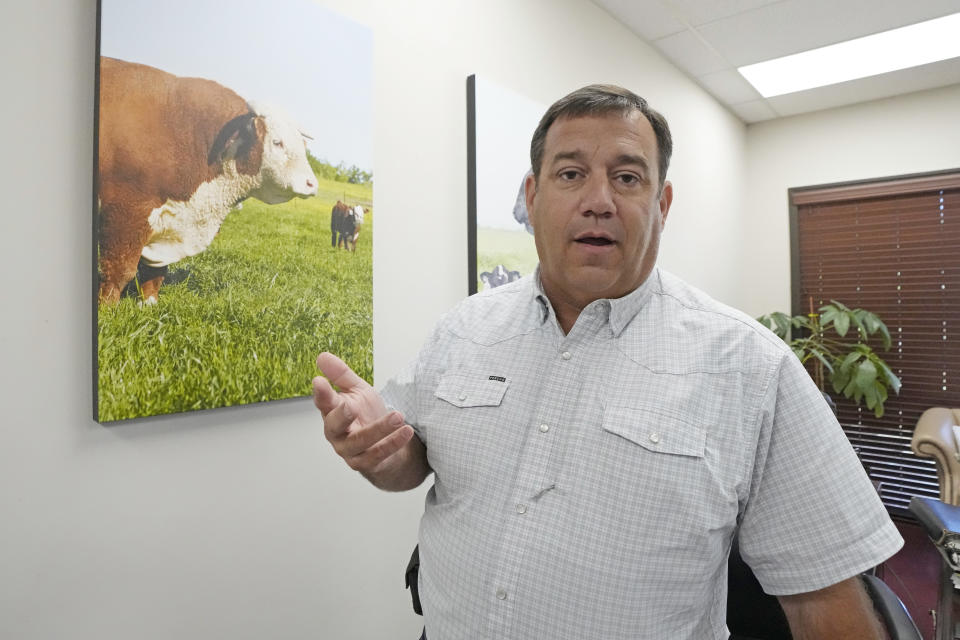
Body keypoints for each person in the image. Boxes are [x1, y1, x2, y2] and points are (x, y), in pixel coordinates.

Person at [313, 85, 903, 639]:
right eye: (570, 174)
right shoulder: (462, 329)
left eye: (626, 177)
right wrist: (383, 455)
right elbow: (414, 462)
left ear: (662, 203)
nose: (598, 202)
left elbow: (823, 601)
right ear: (532, 195)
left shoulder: (753, 367)